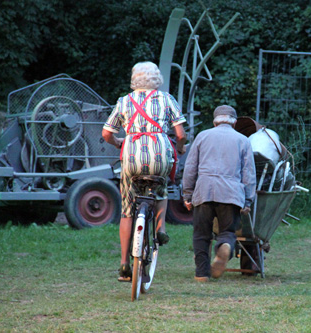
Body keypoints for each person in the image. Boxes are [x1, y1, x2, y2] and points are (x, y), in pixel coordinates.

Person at [102, 61, 187, 282]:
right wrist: (180, 147)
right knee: (161, 187)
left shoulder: (124, 102)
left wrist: (118, 142)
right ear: (156, 79)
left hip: (131, 156)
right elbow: (180, 134)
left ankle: (123, 263)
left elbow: (106, 133)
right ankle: (160, 227)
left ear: (134, 79)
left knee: (127, 209)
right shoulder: (167, 100)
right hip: (159, 154)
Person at [182, 105, 256, 282]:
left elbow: (190, 168)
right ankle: (224, 246)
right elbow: (249, 173)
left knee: (201, 234)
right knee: (228, 232)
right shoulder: (243, 140)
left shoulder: (202, 136)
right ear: (235, 122)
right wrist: (248, 200)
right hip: (230, 193)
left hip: (204, 191)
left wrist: (187, 194)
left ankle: (201, 274)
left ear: (214, 122)